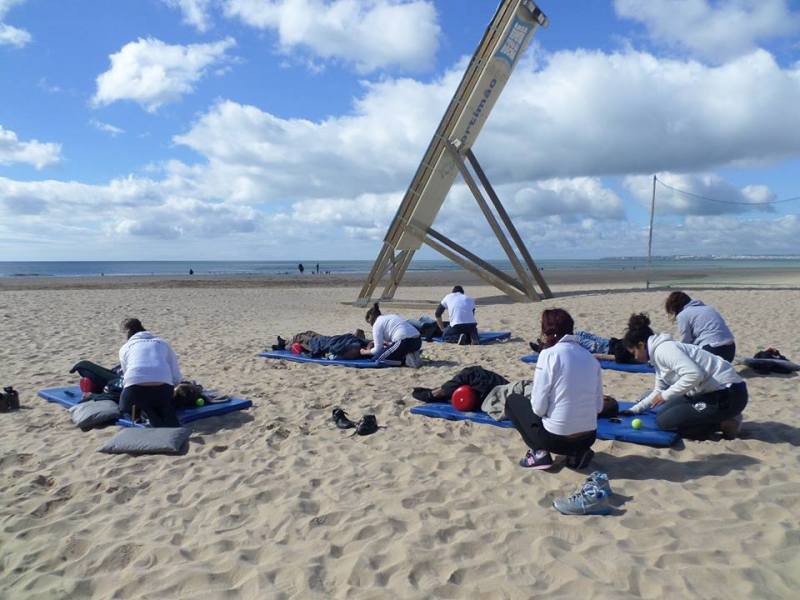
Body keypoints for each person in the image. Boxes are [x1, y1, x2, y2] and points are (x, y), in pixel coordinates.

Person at [505, 308, 603, 470]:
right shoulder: (591, 359)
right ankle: (576, 454)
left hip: (556, 439)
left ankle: (539, 453)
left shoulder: (548, 355)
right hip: (588, 437)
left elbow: (538, 408)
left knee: (513, 401)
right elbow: (598, 407)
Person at [622, 313, 747, 439]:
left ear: (641, 345)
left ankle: (725, 423)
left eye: (634, 352)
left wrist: (665, 395)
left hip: (729, 394)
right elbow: (658, 391)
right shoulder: (657, 356)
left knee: (664, 422)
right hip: (708, 392)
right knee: (663, 413)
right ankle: (720, 416)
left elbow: (694, 375)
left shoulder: (664, 350)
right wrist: (635, 409)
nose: (635, 357)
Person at [118, 318, 182, 427]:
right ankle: (153, 410)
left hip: (135, 391)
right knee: (161, 404)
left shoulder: (125, 348)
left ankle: (146, 411)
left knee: (125, 409)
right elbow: (176, 376)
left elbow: (126, 378)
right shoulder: (163, 343)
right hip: (162, 390)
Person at [665, 291, 735, 362]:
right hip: (730, 349)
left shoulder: (683, 315)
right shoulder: (709, 308)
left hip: (713, 349)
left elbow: (685, 340)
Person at [272, 329, 367, 359]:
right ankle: (285, 342)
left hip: (321, 343)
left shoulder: (353, 347)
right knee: (309, 332)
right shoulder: (359, 342)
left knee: (299, 337)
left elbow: (334, 351)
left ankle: (284, 344)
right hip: (328, 339)